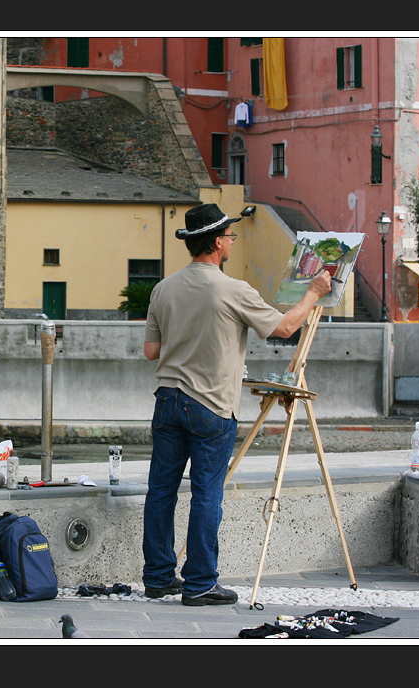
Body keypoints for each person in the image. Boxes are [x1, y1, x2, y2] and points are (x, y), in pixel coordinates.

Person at [141, 203, 331, 605]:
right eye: (229, 236)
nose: (231, 241)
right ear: (214, 242)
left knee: (161, 491)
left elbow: (151, 351)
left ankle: (158, 577)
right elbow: (283, 328)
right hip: (210, 404)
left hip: (167, 401)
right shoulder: (233, 289)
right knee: (207, 494)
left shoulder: (163, 288)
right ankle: (200, 584)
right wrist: (313, 293)